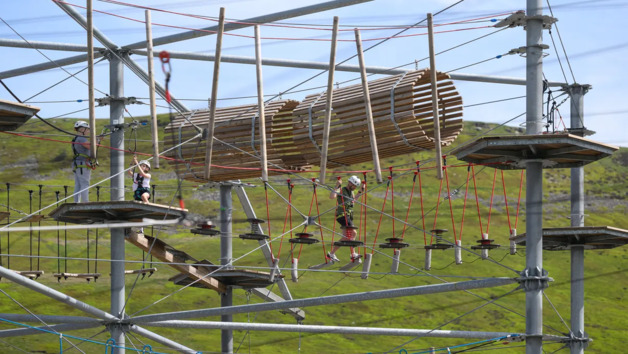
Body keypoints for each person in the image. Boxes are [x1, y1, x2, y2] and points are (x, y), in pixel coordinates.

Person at [327, 175, 365, 262]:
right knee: (353, 232)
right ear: (350, 183)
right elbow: (332, 196)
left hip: (347, 215)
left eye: (356, 187)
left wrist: (361, 190)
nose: (355, 188)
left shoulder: (351, 192)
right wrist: (336, 186)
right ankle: (353, 254)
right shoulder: (342, 190)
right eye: (354, 186)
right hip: (342, 215)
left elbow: (353, 201)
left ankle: (331, 254)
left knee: (346, 237)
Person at [71, 121, 95, 203]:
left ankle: (76, 202)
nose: (88, 131)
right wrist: (98, 140)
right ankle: (85, 202)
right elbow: (91, 147)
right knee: (84, 183)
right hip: (82, 163)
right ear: (82, 129)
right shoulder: (81, 139)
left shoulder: (76, 138)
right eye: (87, 129)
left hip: (77, 163)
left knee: (78, 184)